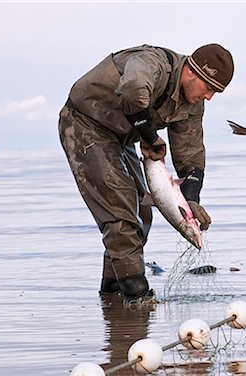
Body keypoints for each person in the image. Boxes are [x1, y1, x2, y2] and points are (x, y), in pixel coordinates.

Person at [58, 43, 234, 300]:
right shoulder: (153, 63)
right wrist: (151, 137)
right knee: (121, 215)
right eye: (209, 89)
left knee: (141, 211)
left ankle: (113, 289)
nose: (209, 97)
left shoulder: (192, 104)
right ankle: (137, 296)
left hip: (123, 137)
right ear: (192, 72)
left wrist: (191, 200)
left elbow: (190, 153)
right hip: (86, 123)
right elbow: (132, 92)